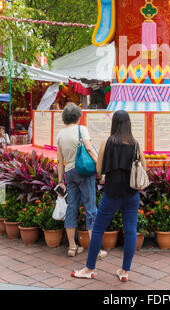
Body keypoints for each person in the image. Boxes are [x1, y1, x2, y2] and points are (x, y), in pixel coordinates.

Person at [71, 110, 147, 282]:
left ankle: (89, 268)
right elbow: (144, 167)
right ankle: (125, 271)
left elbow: (99, 170)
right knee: (130, 231)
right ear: (129, 124)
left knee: (98, 228)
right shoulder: (135, 144)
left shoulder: (107, 142)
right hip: (131, 193)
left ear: (114, 123)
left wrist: (107, 173)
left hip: (111, 193)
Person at [56, 102, 107, 258]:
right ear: (78, 116)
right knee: (90, 207)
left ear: (64, 118)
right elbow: (90, 149)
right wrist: (101, 169)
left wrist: (60, 180)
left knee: (72, 207)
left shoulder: (60, 134)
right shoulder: (81, 129)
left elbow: (59, 160)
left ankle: (72, 247)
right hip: (84, 173)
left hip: (69, 174)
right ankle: (96, 249)